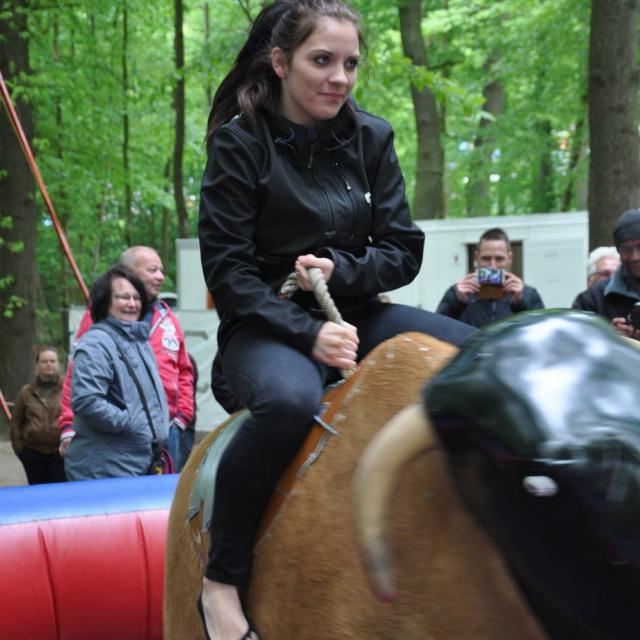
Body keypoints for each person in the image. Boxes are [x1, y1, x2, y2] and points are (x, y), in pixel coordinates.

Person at [197, 2, 473, 638]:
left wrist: (341, 272)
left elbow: (402, 250)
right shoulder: (239, 144)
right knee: (290, 403)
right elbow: (229, 276)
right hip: (263, 328)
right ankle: (221, 581)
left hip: (356, 313)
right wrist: (308, 332)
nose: (339, 78)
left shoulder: (372, 137)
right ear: (280, 61)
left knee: (480, 354)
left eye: (350, 63)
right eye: (321, 61)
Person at [58, 246, 194, 469]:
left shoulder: (167, 318)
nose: (160, 276)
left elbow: (185, 371)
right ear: (128, 272)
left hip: (167, 430)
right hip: (116, 437)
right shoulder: (99, 319)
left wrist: (182, 417)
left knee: (164, 490)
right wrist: (67, 424)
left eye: (161, 270)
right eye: (152, 270)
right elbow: (77, 377)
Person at [64, 267, 170, 480]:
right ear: (105, 302)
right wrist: (130, 422)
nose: (132, 304)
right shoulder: (96, 344)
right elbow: (87, 401)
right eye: (123, 297)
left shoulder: (139, 341)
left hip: (139, 461)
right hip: (105, 467)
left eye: (136, 298)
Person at [435, 227, 544, 328]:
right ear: (476, 257)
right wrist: (457, 302)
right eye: (486, 258)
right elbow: (437, 330)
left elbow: (541, 332)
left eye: (499, 259)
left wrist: (520, 304)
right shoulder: (457, 293)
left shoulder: (529, 295)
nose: (492, 266)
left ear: (509, 258)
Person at [573, 208, 640, 339]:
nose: (635, 256)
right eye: (626, 249)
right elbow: (574, 342)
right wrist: (607, 336)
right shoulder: (592, 299)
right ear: (618, 251)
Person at [10, 346, 66, 484]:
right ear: (37, 365)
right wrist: (20, 450)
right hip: (33, 453)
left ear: (58, 364)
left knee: (59, 493)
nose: (49, 364)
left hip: (61, 453)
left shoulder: (68, 389)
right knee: (37, 492)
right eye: (44, 361)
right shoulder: (26, 392)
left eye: (52, 361)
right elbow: (16, 422)